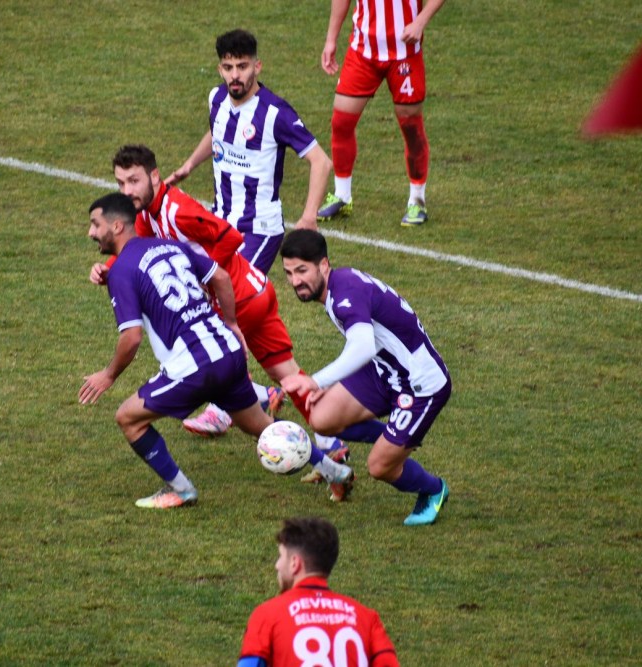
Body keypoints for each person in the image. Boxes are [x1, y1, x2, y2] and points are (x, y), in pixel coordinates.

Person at [80, 193, 353, 507]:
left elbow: (131, 337)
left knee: (128, 418)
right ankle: (334, 471)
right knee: (258, 425)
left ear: (116, 226)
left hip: (194, 367)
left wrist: (108, 375)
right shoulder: (171, 246)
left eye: (95, 224)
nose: (91, 232)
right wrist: (232, 323)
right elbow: (221, 276)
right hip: (228, 351)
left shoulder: (122, 270)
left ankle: (182, 490)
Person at [279, 229, 451, 526]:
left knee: (380, 467)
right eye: (289, 273)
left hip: (420, 384)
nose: (295, 281)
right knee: (321, 417)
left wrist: (317, 381)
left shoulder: (344, 294)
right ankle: (395, 437)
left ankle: (433, 489)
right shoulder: (339, 285)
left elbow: (362, 347)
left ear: (323, 265)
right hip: (384, 371)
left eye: (302, 271)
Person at [166, 29, 332, 274]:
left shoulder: (276, 113)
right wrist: (189, 165)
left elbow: (321, 161)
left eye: (242, 66)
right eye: (228, 67)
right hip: (220, 222)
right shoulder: (216, 98)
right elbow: (217, 131)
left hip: (259, 229)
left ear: (257, 67)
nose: (235, 75)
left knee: (232, 288)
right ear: (219, 69)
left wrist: (309, 216)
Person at [317, 0, 446, 227]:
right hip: (363, 51)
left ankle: (417, 200)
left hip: (405, 52)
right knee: (341, 122)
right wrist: (330, 39)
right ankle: (342, 195)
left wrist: (420, 22)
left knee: (411, 126)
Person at [237, 517, 399, 667]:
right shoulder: (366, 618)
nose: (277, 565)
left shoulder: (267, 615)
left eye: (281, 556)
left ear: (295, 563)